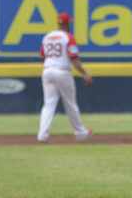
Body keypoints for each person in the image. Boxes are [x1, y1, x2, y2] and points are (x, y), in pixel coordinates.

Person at [37, 12, 94, 143]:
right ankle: (80, 133)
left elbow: (43, 56)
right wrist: (84, 73)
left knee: (48, 104)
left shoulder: (47, 37)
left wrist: (50, 66)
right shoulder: (68, 37)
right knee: (70, 104)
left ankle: (42, 136)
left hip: (47, 71)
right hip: (62, 71)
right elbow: (74, 58)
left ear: (58, 23)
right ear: (68, 23)